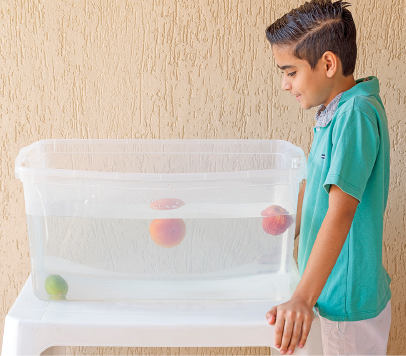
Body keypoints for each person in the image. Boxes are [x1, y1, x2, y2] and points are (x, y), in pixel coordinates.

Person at [264, 1, 392, 355]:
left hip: (342, 302)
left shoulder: (356, 115)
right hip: (325, 291)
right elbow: (318, 193)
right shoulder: (334, 112)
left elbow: (340, 213)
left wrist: (302, 299)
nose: (285, 84)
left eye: (290, 71)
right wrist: (283, 232)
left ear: (328, 64)